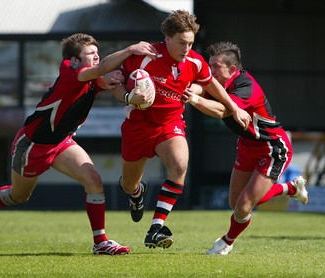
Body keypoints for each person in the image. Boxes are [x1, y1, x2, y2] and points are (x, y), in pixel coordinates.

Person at [0, 33, 157, 255]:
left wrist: (130, 96)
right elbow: (100, 73)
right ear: (75, 60)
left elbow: (106, 80)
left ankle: (100, 242)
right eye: (91, 54)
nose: (97, 57)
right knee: (18, 196)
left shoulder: (91, 76)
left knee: (94, 180)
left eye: (98, 53)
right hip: (33, 145)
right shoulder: (70, 69)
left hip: (61, 142)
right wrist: (129, 49)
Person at [105, 10, 251, 249]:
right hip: (138, 127)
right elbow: (112, 81)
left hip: (169, 124)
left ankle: (156, 228)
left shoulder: (194, 61)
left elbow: (212, 84)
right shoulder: (144, 57)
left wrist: (234, 108)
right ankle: (136, 193)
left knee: (180, 165)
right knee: (129, 184)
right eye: (182, 42)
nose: (187, 48)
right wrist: (128, 97)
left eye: (191, 43)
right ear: (167, 38)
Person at [182, 41, 309, 255]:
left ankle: (226, 242)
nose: (210, 72)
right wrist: (189, 89)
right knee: (236, 202)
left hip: (272, 148)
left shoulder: (246, 87)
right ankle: (291, 189)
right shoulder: (218, 82)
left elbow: (222, 111)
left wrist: (193, 98)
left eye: (215, 67)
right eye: (209, 66)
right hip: (247, 145)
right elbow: (201, 85)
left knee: (243, 206)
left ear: (232, 69)